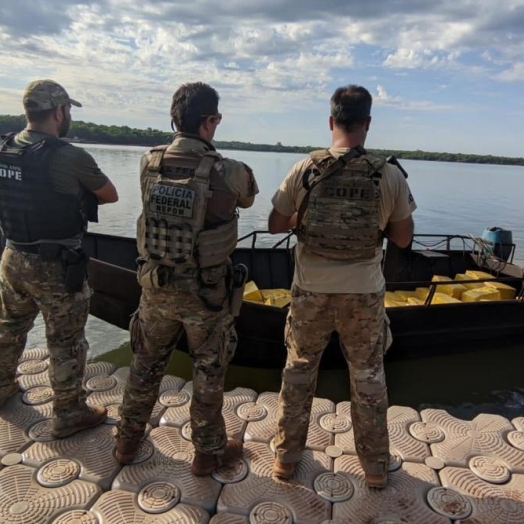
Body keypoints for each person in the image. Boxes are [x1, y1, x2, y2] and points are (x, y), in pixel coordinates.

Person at [268, 85, 416, 488]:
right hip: (363, 294)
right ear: (368, 124)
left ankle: (285, 458)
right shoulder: (388, 174)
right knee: (368, 378)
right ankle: (374, 469)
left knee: (299, 371)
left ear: (331, 121)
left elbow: (275, 225)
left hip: (311, 291)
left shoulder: (305, 169)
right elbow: (403, 239)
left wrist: (302, 218)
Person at [115, 82, 258, 476]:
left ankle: (126, 442)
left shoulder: (149, 162)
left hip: (156, 287)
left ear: (174, 118)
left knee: (145, 364)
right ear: (211, 121)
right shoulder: (229, 171)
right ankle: (207, 453)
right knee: (208, 372)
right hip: (207, 295)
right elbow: (247, 197)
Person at [0, 79, 119, 438]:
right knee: (66, 340)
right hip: (55, 266)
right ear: (57, 112)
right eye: (67, 110)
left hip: (12, 255)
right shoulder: (69, 156)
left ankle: (2, 386)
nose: (68, 117)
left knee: (8, 328)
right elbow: (110, 194)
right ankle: (68, 412)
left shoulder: (5, 148)